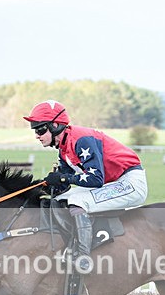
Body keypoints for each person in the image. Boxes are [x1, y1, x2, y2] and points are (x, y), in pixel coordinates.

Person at [23, 100, 148, 271]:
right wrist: (40, 188)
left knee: (78, 202)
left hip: (130, 182)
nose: (37, 135)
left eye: (40, 129)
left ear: (55, 126)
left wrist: (63, 179)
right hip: (110, 182)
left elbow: (95, 179)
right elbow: (62, 185)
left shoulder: (82, 140)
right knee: (59, 199)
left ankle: (82, 257)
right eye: (35, 130)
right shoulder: (64, 148)